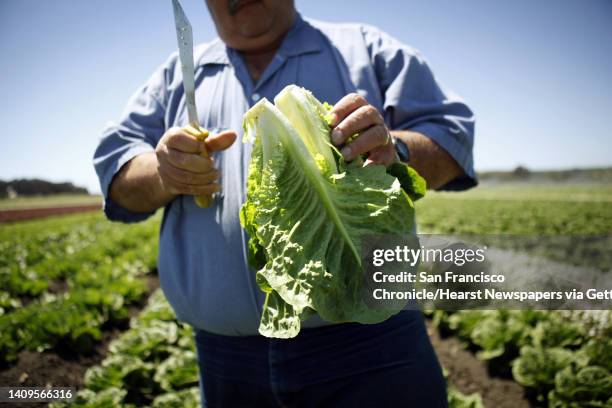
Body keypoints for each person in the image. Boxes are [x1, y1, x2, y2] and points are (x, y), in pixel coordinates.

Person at [93, 0, 475, 406]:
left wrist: (395, 149)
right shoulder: (177, 74)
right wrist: (162, 171)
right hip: (226, 360)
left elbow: (452, 141)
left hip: (372, 346)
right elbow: (116, 174)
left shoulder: (367, 48)